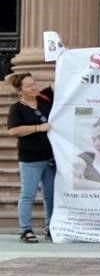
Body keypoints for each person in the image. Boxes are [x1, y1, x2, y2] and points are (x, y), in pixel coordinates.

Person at [6, 73, 55, 243]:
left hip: (50, 158)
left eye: (34, 83)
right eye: (28, 85)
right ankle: (25, 229)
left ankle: (50, 228)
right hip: (30, 160)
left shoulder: (44, 98)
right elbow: (13, 130)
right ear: (20, 90)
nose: (33, 87)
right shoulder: (17, 108)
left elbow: (61, 83)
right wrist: (38, 128)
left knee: (51, 195)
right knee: (28, 195)